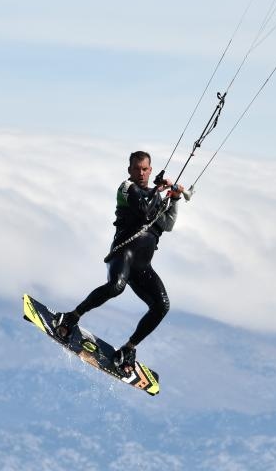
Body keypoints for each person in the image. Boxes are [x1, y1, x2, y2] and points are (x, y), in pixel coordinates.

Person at [52, 150, 183, 375]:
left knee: (162, 306)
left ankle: (128, 349)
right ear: (130, 170)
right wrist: (158, 190)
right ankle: (71, 317)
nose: (141, 173)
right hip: (123, 256)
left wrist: (175, 198)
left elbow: (167, 224)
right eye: (136, 169)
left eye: (145, 169)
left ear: (151, 171)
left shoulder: (155, 198)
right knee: (116, 287)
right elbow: (142, 212)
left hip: (142, 266)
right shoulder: (126, 188)